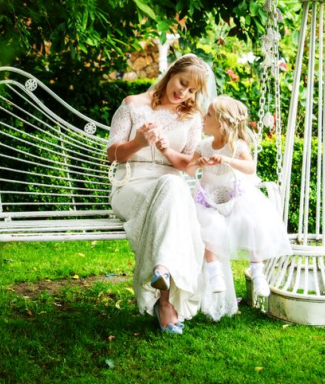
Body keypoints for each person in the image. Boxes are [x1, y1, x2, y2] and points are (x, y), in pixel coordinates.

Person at [107, 54, 211, 334]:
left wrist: (166, 150)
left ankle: (162, 274)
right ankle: (166, 301)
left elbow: (187, 167)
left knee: (173, 185)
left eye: (192, 91)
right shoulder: (132, 105)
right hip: (130, 184)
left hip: (171, 188)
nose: (184, 93)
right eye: (182, 83)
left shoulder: (192, 118)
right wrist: (138, 142)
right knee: (172, 190)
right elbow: (111, 155)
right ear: (170, 73)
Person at [186, 95, 292, 305]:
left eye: (208, 115)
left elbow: (250, 168)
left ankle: (258, 271)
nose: (203, 117)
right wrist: (198, 163)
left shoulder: (238, 145)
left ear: (222, 123)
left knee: (253, 224)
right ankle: (215, 273)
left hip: (237, 193)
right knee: (209, 226)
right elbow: (189, 169)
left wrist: (227, 159)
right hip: (209, 197)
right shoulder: (203, 145)